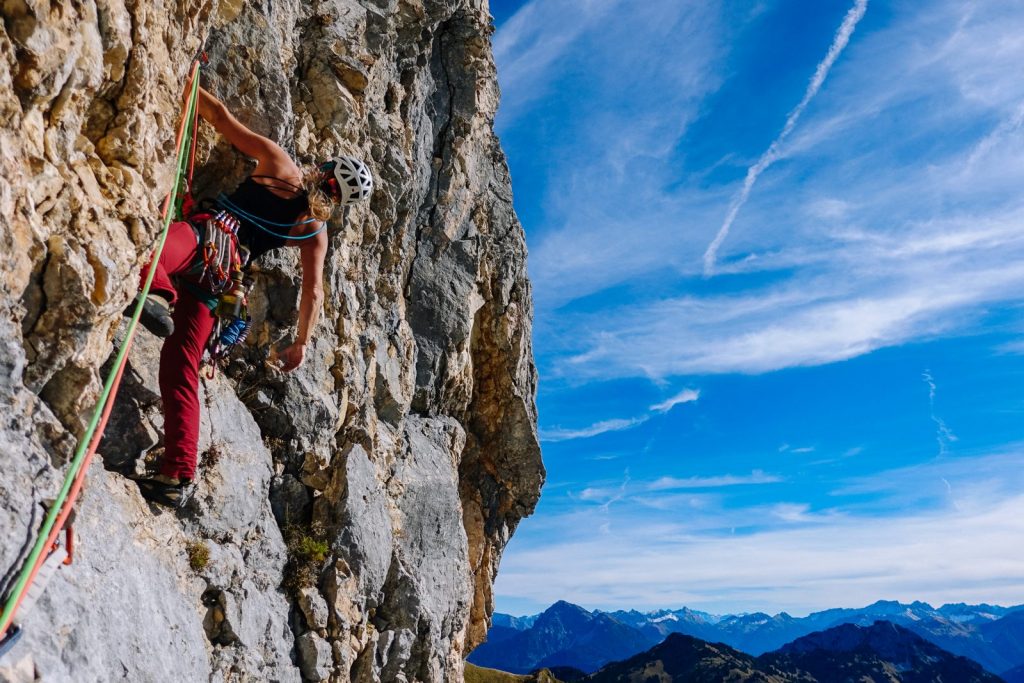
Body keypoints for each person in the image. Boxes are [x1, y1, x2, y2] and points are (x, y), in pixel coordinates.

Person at [130, 86, 373, 507]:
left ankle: (156, 294)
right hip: (224, 280)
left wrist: (191, 79)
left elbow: (221, 117)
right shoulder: (316, 233)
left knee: (154, 251)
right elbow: (313, 293)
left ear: (325, 169)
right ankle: (178, 474)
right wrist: (300, 343)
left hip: (206, 238)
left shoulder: (283, 168)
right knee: (182, 367)